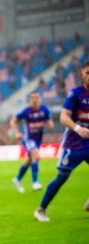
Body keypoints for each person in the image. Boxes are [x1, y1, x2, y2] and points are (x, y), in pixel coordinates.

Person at [34, 60, 89, 222]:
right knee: (62, 177)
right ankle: (41, 210)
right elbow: (63, 117)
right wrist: (78, 129)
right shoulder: (75, 94)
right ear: (82, 74)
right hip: (74, 144)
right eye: (87, 73)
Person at [10, 91, 54, 193]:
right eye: (33, 98)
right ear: (29, 100)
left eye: (37, 97)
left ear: (40, 99)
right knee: (36, 156)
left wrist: (49, 123)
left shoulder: (44, 110)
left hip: (38, 139)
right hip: (28, 138)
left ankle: (17, 179)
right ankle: (35, 182)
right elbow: (13, 121)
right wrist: (16, 132)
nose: (35, 100)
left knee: (30, 159)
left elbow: (49, 121)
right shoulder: (26, 111)